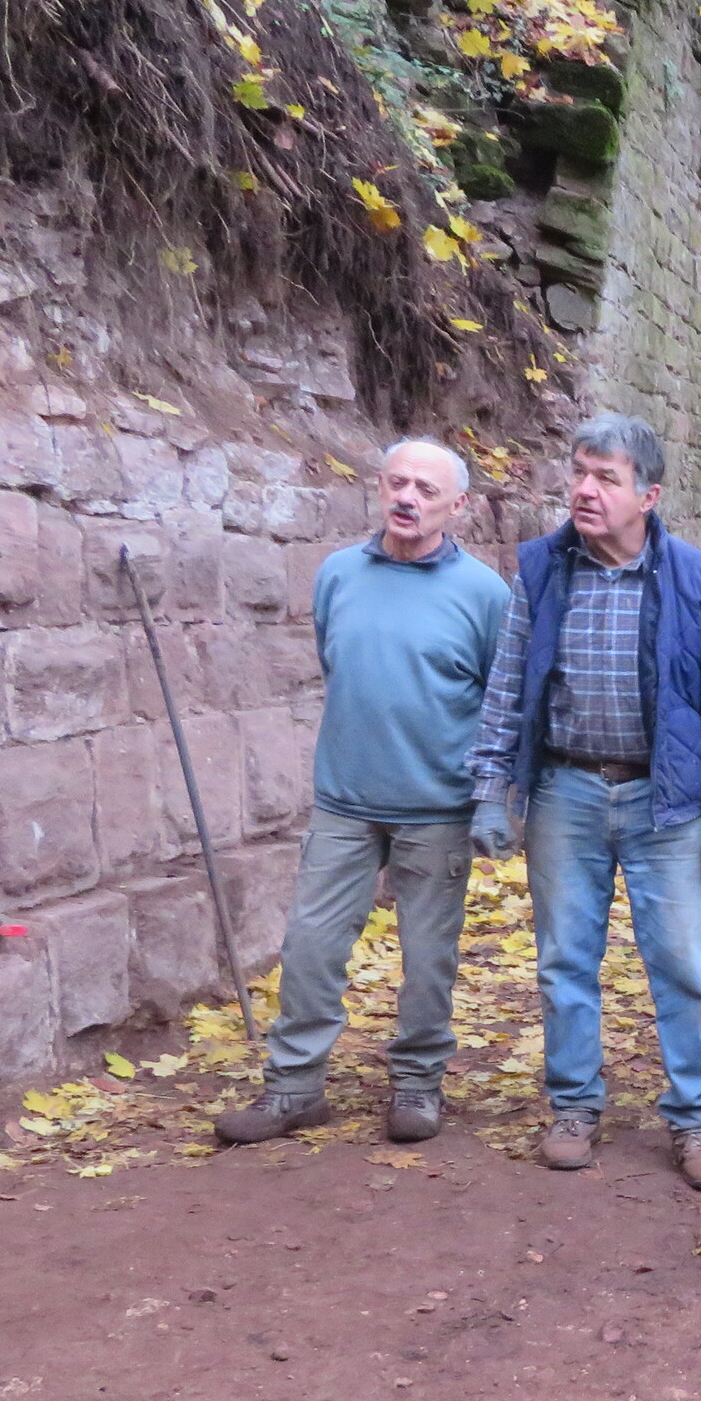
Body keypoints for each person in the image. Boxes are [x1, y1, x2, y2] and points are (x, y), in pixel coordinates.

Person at [468, 413, 701, 1192]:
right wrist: (491, 792)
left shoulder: (694, 579)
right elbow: (507, 689)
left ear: (648, 496)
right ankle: (573, 1109)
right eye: (579, 472)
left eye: (606, 477)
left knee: (686, 967)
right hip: (565, 790)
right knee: (565, 960)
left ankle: (695, 1119)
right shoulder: (542, 571)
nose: (585, 490)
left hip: (668, 803)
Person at [215, 440, 509, 1147]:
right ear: (379, 487)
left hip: (437, 808)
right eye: (397, 483)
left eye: (427, 490)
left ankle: (418, 1084)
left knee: (428, 961)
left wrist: (493, 796)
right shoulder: (339, 574)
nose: (408, 498)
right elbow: (337, 663)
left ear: (458, 506)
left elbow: (503, 704)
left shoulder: (485, 595)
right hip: (344, 802)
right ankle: (293, 1089)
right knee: (310, 947)